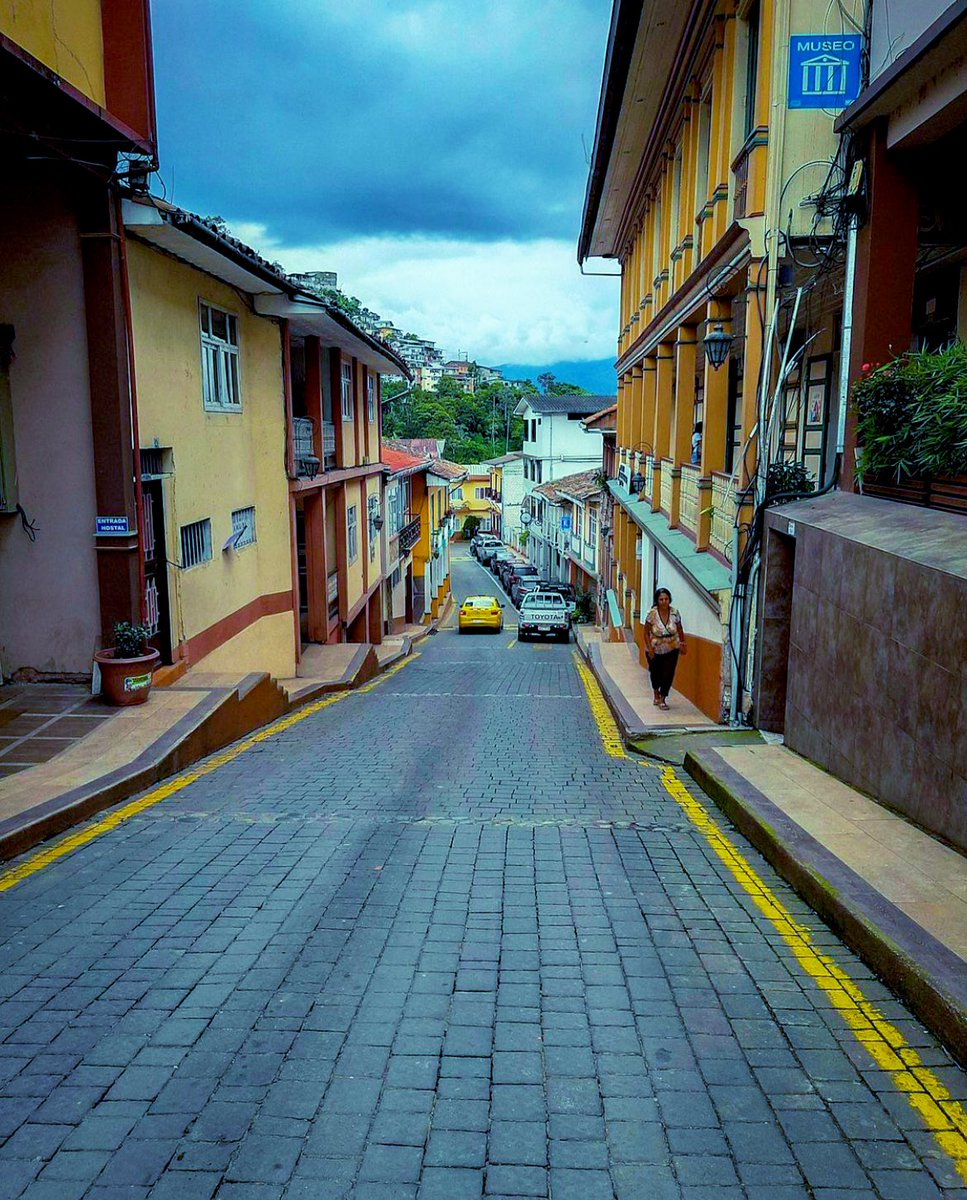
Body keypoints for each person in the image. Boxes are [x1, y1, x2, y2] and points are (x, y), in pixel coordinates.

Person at [643, 587, 687, 710]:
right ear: (657, 600)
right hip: (655, 648)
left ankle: (663, 697)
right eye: (661, 599)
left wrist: (683, 643)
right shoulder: (652, 614)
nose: (664, 601)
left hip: (672, 646)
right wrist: (650, 649)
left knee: (668, 673)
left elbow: (679, 628)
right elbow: (646, 632)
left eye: (666, 599)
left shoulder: (675, 613)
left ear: (669, 600)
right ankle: (656, 693)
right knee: (656, 672)